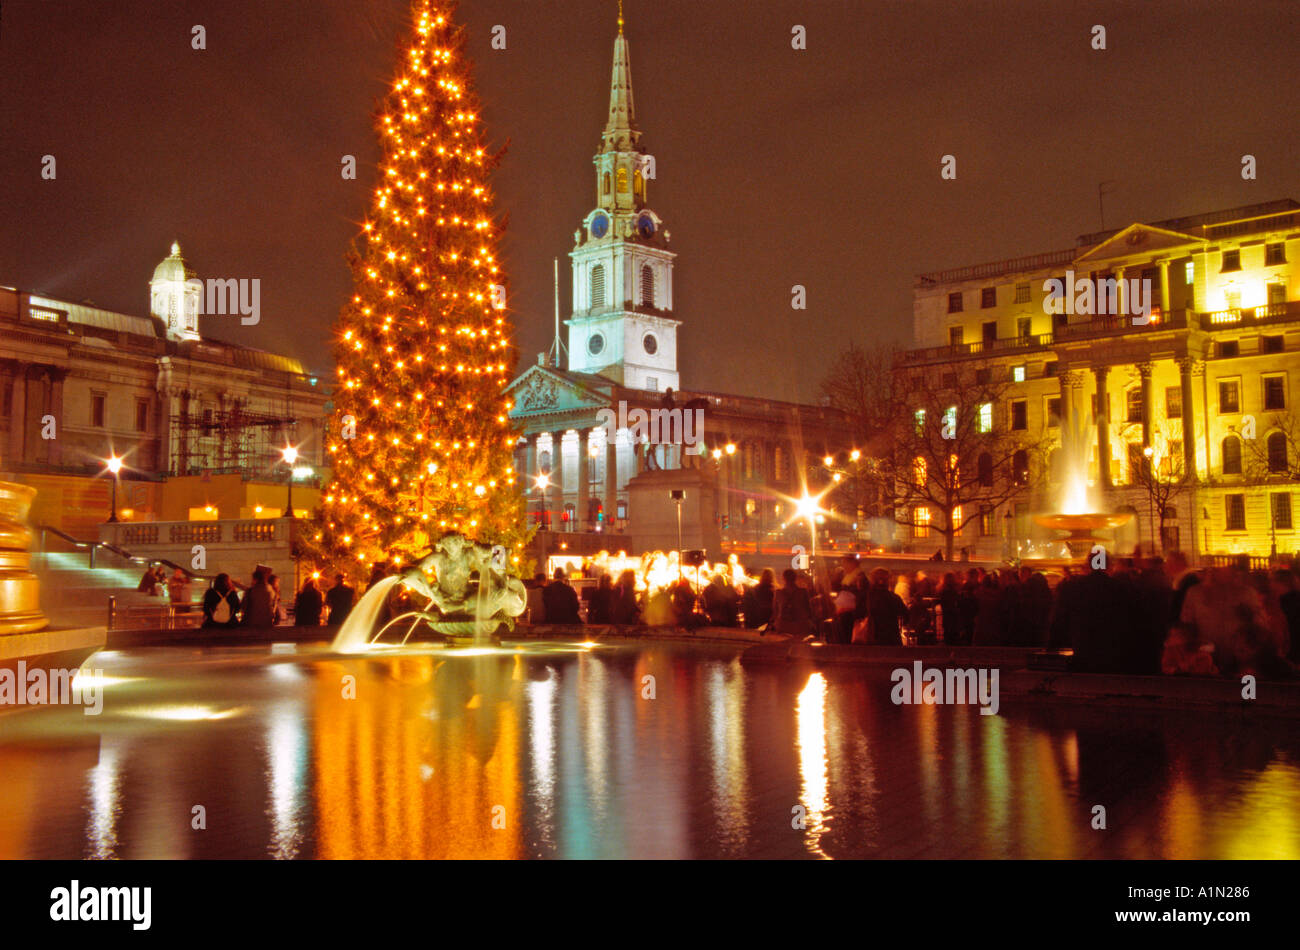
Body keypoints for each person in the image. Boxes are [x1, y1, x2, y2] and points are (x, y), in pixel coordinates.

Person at [865, 568, 907, 645]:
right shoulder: (894, 597)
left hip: (871, 636)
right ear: (887, 581)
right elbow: (905, 613)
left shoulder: (867, 597)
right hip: (891, 637)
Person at [772, 569, 815, 638]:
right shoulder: (803, 592)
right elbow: (808, 610)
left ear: (783, 578)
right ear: (795, 578)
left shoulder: (778, 593)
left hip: (783, 626)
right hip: (800, 626)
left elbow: (775, 611)